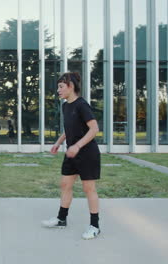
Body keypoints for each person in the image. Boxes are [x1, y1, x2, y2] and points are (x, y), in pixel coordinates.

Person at [41, 72, 102, 240]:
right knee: (65, 185)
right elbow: (69, 129)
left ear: (71, 86)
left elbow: (94, 129)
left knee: (88, 189)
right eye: (58, 87)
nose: (58, 91)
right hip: (71, 153)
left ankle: (95, 226)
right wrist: (58, 142)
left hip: (87, 153)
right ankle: (61, 219)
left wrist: (77, 146)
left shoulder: (82, 105)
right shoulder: (65, 106)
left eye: (61, 87)